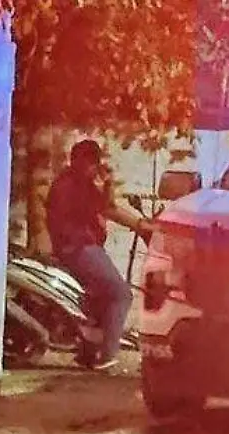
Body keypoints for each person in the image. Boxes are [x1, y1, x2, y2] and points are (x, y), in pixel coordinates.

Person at [46, 140, 151, 371]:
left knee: (98, 298)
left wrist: (139, 224)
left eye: (95, 162)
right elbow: (107, 208)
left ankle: (88, 353)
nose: (94, 167)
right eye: (91, 162)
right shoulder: (71, 186)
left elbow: (106, 206)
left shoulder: (76, 184)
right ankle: (107, 355)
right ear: (80, 161)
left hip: (80, 248)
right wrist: (139, 225)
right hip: (78, 248)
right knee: (121, 294)